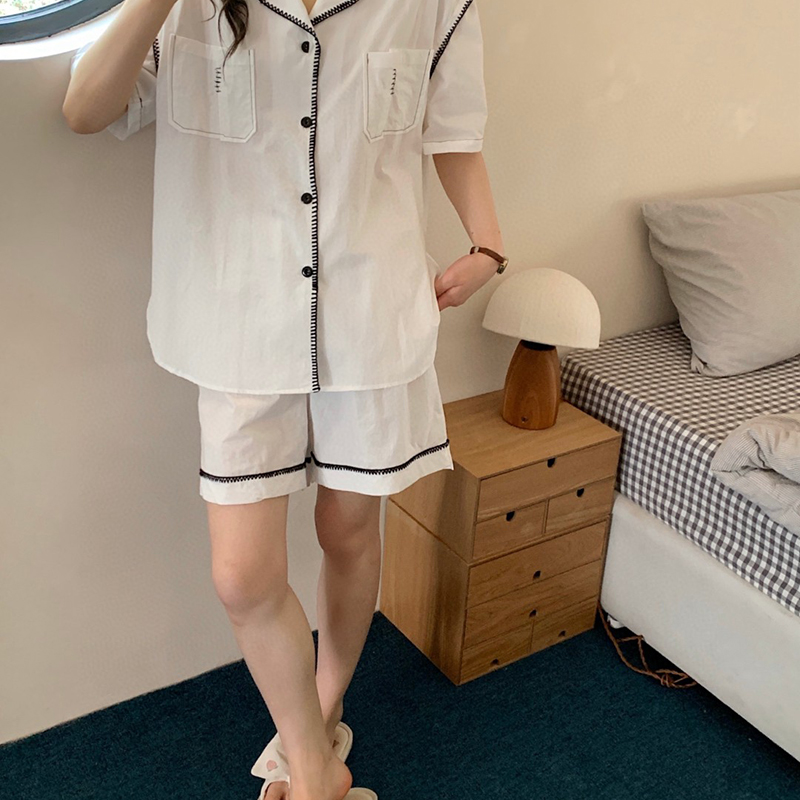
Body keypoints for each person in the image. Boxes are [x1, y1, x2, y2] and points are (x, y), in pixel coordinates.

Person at [63, 0, 507, 797]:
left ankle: (321, 719)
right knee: (243, 575)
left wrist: (489, 244)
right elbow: (86, 109)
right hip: (237, 327)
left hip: (369, 316)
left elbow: (453, 134)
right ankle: (316, 766)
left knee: (349, 532)